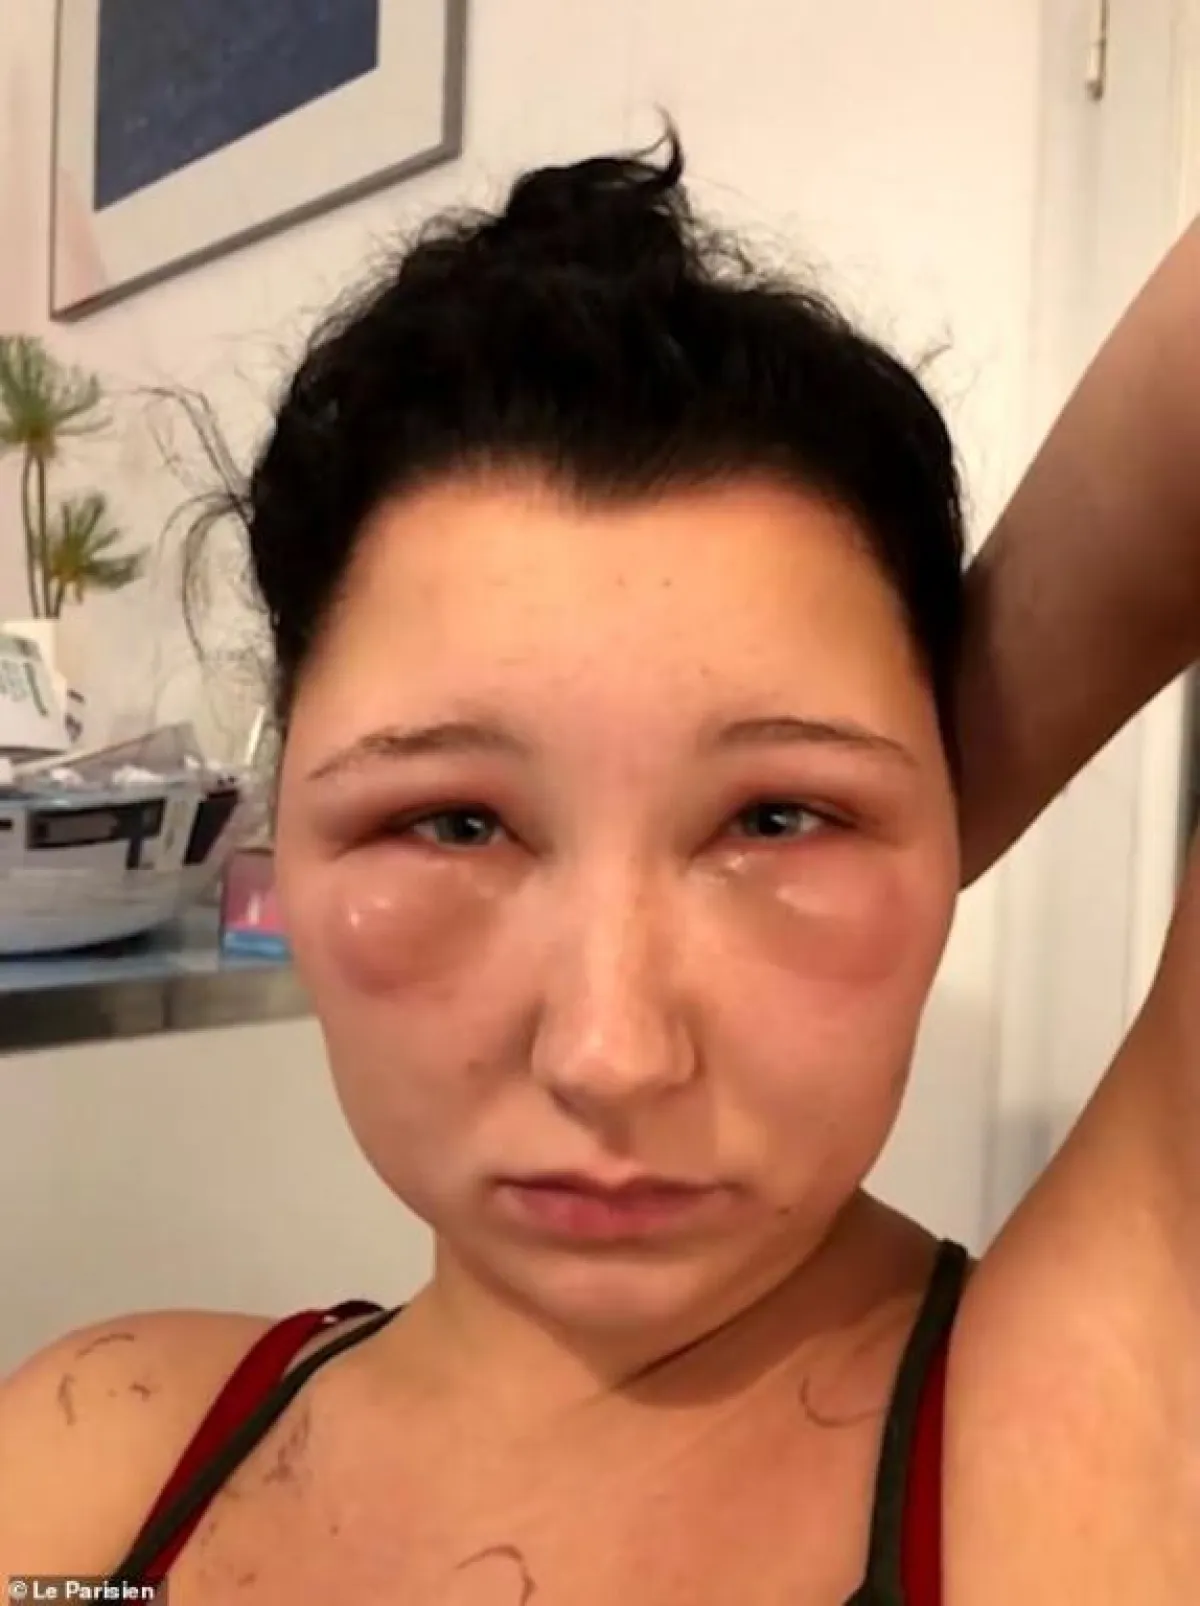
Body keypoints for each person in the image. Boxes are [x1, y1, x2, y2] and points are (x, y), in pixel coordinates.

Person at [0, 134, 1193, 1604]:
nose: (611, 1057)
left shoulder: (1101, 1453)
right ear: (282, 827)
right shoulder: (94, 1452)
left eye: (777, 819)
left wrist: (947, 773)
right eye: (455, 822)